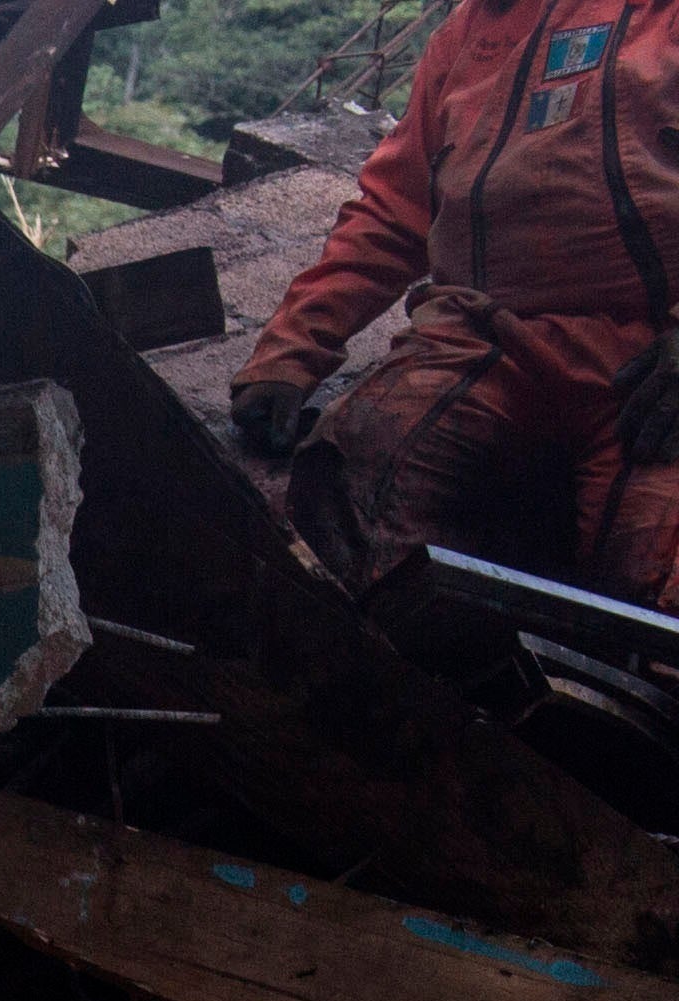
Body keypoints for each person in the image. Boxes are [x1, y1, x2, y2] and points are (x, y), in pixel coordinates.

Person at [234, 0, 679, 601]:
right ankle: (394, 680)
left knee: (650, 578)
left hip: (648, 360)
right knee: (353, 472)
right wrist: (290, 352)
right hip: (483, 335)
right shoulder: (470, 33)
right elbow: (395, 209)